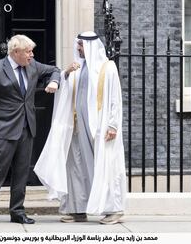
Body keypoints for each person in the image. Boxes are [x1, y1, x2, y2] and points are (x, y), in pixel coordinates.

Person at [34, 31, 126, 225]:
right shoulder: (77, 68)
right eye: (78, 45)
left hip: (100, 128)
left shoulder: (107, 68)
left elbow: (115, 99)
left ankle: (113, 210)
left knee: (104, 166)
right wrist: (66, 74)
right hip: (77, 126)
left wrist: (112, 124)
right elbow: (65, 90)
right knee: (75, 166)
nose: (78, 49)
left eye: (81, 46)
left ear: (91, 46)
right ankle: (77, 209)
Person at [0, 34, 60, 226]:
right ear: (15, 52)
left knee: (22, 173)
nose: (31, 55)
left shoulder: (33, 66)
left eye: (32, 51)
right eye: (28, 52)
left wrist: (54, 82)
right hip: (3, 129)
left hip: (27, 128)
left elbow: (55, 69)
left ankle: (17, 212)